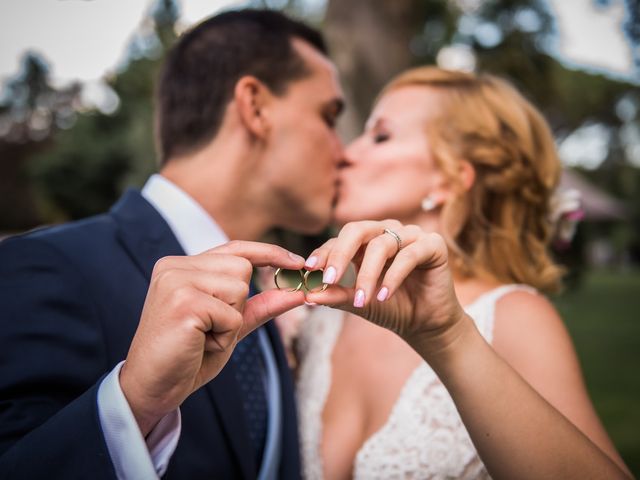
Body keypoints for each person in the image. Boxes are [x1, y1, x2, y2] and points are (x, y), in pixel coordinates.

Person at [0, 9, 344, 479]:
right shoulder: (44, 267)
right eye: (328, 116)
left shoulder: (266, 304)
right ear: (256, 107)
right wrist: (134, 405)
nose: (343, 152)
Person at [294, 67, 633, 479]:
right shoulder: (320, 323)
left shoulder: (513, 316)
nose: (346, 153)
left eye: (381, 136)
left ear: (452, 178)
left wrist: (450, 338)